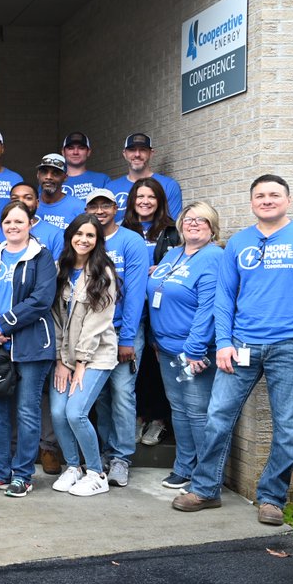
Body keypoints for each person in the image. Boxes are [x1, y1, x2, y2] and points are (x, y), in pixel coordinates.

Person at [174, 175, 293, 526]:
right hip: (242, 346)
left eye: (274, 195)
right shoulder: (238, 243)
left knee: (289, 426)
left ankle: (272, 498)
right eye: (260, 196)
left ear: (288, 199)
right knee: (218, 418)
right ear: (252, 202)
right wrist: (222, 343)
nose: (267, 200)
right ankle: (205, 489)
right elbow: (224, 298)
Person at [0, 201, 57, 497]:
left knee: (27, 411)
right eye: (8, 222)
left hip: (31, 346)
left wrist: (4, 324)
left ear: (30, 224)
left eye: (19, 222)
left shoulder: (41, 256)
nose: (13, 227)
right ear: (2, 225)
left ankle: (23, 474)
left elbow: (41, 298)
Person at [146, 202, 223, 490]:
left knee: (197, 411)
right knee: (178, 409)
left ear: (212, 226)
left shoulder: (214, 257)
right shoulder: (174, 253)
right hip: (165, 347)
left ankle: (205, 476)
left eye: (201, 220)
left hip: (193, 350)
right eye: (188, 219)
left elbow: (209, 307)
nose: (193, 224)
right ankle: (183, 467)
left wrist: (195, 348)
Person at [49, 214, 119, 497]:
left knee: (75, 412)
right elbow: (53, 317)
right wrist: (60, 361)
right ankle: (72, 467)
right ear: (70, 236)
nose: (84, 240)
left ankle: (96, 473)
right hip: (65, 357)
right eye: (79, 234)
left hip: (96, 356)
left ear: (97, 241)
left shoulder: (104, 273)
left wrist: (80, 363)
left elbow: (96, 323)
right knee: (57, 412)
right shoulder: (59, 270)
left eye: (90, 235)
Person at [84, 187, 149, 488]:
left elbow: (136, 293)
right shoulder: (87, 239)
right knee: (101, 397)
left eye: (105, 205)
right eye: (94, 205)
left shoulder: (131, 241)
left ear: (116, 207)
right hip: (93, 332)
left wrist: (127, 339)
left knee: (123, 395)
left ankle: (122, 457)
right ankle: (106, 454)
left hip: (123, 331)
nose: (100, 210)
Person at [122, 177, 181, 447]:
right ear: (132, 200)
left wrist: (164, 270)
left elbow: (188, 262)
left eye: (151, 197)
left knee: (158, 365)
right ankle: (139, 416)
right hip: (131, 307)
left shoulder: (172, 231)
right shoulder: (123, 228)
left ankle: (159, 419)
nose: (145, 202)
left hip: (162, 309)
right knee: (137, 364)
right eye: (140, 197)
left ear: (160, 201)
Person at [107, 133, 182, 223]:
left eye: (143, 150)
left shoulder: (169, 185)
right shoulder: (110, 188)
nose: (137, 154)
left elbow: (172, 226)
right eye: (132, 150)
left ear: (151, 153)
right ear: (124, 154)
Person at [36, 153, 84, 230]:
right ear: (38, 175)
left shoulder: (79, 207)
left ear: (65, 177)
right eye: (44, 172)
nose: (48, 177)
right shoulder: (30, 204)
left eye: (55, 173)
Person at [59, 132, 109, 202]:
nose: (75, 152)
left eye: (81, 148)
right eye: (70, 148)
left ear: (88, 152)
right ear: (63, 152)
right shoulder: (53, 181)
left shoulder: (102, 179)